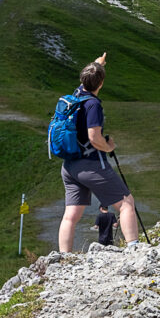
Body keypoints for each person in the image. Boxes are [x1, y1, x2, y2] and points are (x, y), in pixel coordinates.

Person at [57, 53, 139, 252]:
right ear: (100, 83)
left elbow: (89, 76)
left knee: (71, 215)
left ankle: (63, 259)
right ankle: (135, 250)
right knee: (126, 202)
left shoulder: (75, 96)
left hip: (70, 165)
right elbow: (94, 138)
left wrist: (97, 64)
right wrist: (109, 146)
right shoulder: (93, 105)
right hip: (91, 164)